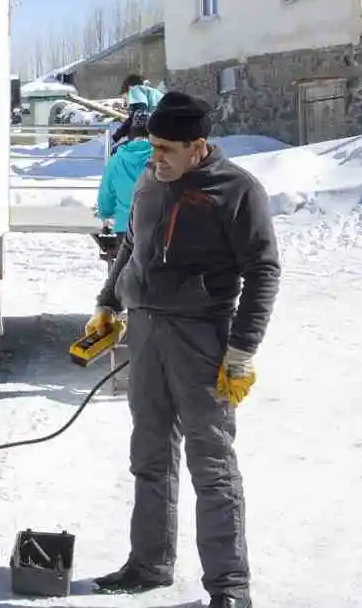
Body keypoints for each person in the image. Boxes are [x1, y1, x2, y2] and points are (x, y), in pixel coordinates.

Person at [87, 91, 280, 608]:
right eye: (151, 146)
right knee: (148, 453)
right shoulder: (151, 180)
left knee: (211, 464)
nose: (155, 158)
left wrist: (242, 348)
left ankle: (230, 589)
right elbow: (132, 240)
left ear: (198, 147)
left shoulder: (237, 190)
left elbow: (263, 270)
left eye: (166, 149)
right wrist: (109, 302)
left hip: (201, 339)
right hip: (147, 333)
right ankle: (149, 563)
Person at [96, 104, 152, 238]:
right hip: (157, 229)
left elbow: (105, 199)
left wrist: (105, 213)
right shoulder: (162, 158)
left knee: (125, 258)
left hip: (125, 227)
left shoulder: (116, 160)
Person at [109, 77, 164, 151]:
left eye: (125, 99)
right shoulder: (155, 94)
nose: (125, 104)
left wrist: (116, 137)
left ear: (128, 90)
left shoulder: (135, 90)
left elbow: (139, 117)